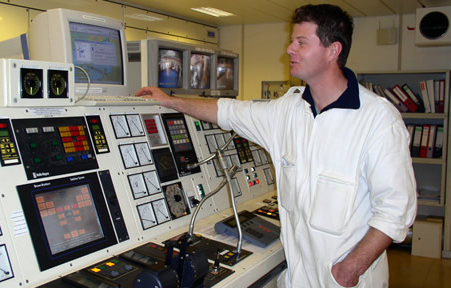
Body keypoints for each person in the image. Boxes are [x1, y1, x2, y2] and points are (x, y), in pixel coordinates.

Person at [136, 4, 417, 287]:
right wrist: (170, 101)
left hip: (345, 282)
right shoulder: (287, 111)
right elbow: (227, 111)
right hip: (297, 279)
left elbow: (395, 212)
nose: (289, 49)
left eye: (301, 42)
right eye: (292, 40)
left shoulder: (377, 119)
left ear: (333, 51)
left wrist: (349, 270)